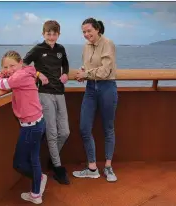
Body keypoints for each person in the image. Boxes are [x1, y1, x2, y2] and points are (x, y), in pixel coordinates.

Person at [0, 51, 47, 204]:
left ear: (21, 63)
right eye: (5, 67)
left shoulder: (19, 76)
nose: (9, 69)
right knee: (34, 158)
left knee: (19, 163)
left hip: (30, 127)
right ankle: (36, 192)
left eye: (12, 66)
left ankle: (39, 181)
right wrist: (7, 73)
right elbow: (14, 77)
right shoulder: (27, 72)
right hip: (38, 122)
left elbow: (2, 85)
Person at [23, 20, 70, 185]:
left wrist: (66, 75)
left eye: (54, 33)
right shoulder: (37, 49)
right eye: (48, 33)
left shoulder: (61, 49)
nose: (51, 36)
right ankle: (57, 168)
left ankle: (52, 156)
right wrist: (37, 75)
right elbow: (24, 65)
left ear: (58, 34)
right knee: (52, 132)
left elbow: (65, 64)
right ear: (43, 34)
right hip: (43, 93)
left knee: (65, 132)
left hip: (60, 92)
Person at [72, 17, 118, 182]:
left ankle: (108, 167)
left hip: (107, 88)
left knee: (108, 128)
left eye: (89, 31)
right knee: (84, 128)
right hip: (91, 88)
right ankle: (92, 168)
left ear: (97, 29)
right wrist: (83, 71)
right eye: (84, 32)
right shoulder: (86, 46)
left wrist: (86, 74)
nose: (86, 34)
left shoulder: (108, 44)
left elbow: (106, 70)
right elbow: (88, 66)